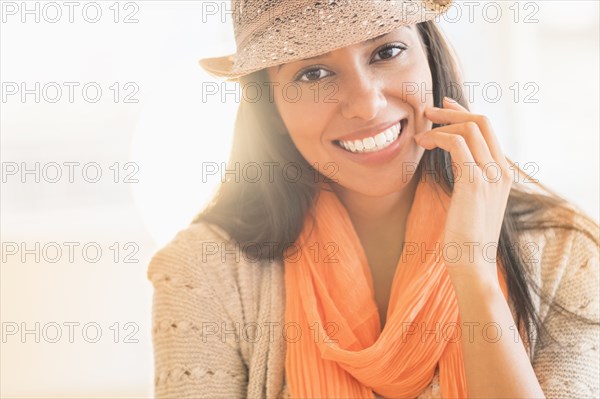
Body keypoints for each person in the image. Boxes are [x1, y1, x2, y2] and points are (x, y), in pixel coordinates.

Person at [146, 0, 600, 398]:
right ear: (272, 108)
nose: (365, 104)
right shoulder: (203, 271)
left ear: (430, 58)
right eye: (313, 72)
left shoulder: (566, 251)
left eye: (386, 51)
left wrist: (475, 273)